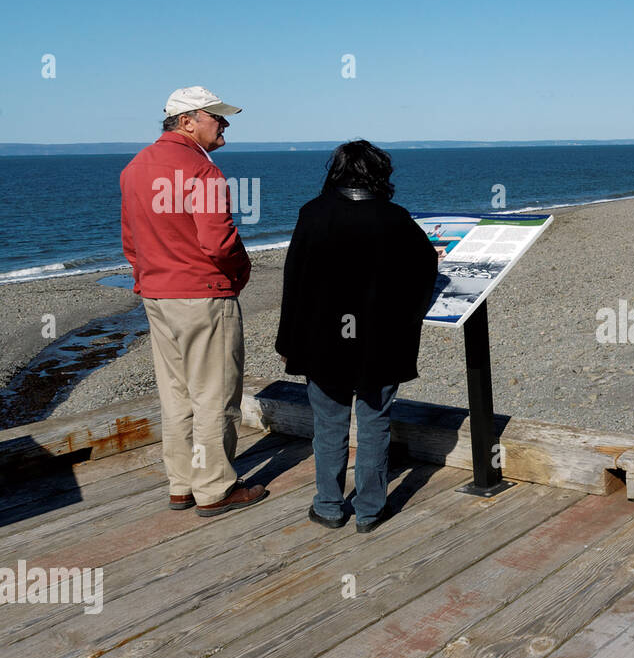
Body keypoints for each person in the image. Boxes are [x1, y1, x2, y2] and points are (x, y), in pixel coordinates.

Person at [275, 141, 438, 533]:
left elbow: (293, 281)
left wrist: (287, 343)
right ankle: (369, 510)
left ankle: (329, 506)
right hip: (380, 343)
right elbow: (424, 272)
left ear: (337, 170)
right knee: (374, 424)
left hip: (322, 342)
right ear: (380, 172)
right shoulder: (396, 218)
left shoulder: (312, 214)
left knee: (328, 425)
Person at [120, 86, 268, 517]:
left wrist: (146, 278)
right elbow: (218, 243)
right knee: (215, 394)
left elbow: (131, 240)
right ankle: (216, 488)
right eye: (216, 118)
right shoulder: (203, 171)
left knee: (176, 393)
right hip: (202, 294)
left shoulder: (134, 168)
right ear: (187, 122)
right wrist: (241, 270)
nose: (225, 124)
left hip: (157, 294)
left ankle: (181, 484)